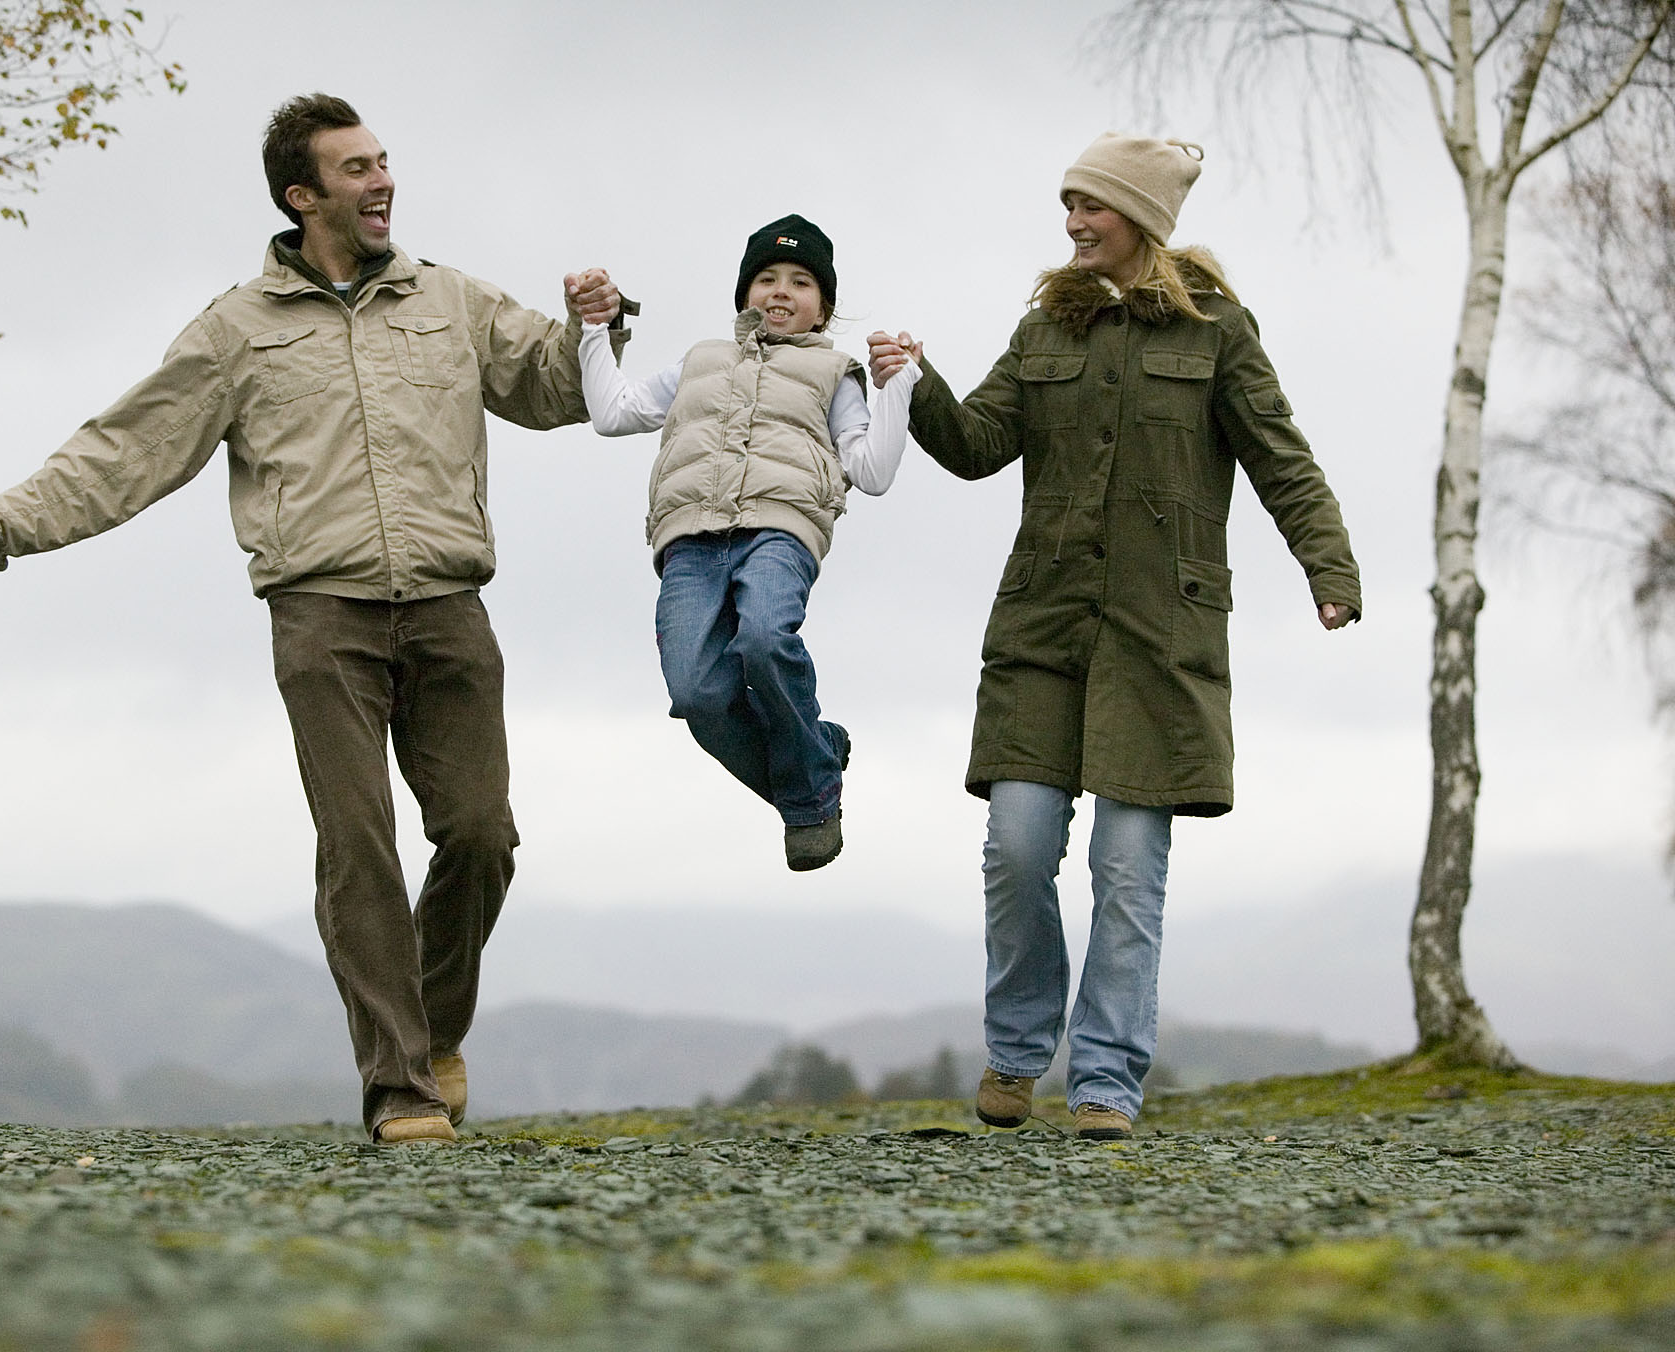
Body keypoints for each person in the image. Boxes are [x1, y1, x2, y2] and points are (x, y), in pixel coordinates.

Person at [0, 93, 626, 1146]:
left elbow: (550, 387)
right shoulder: (237, 330)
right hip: (320, 615)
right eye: (357, 168)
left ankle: (435, 1033)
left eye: (385, 160)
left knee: (482, 836)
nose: (383, 180)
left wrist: (595, 326)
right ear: (303, 196)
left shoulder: (452, 301)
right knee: (358, 846)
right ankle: (398, 1085)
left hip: (449, 605)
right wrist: (7, 522)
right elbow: (127, 447)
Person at [868, 134, 1361, 1140]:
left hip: (1158, 637)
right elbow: (975, 445)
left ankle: (1104, 1079)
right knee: (1016, 845)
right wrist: (914, 381)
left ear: (1139, 217)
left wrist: (1330, 569)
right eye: (1066, 205)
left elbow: (1280, 458)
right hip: (1042, 624)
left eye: (1088, 205)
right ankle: (1015, 1050)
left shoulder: (1218, 330)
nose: (1071, 222)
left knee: (1126, 868)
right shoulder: (1045, 325)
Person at [579, 215, 919, 870]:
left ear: (825, 306)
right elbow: (612, 412)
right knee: (696, 693)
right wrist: (596, 329)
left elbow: (872, 473)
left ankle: (812, 802)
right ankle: (815, 762)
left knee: (763, 639)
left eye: (800, 281)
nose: (781, 291)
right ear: (744, 294)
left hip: (780, 531)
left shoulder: (832, 372)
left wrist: (896, 387)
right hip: (690, 541)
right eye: (766, 278)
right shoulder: (700, 361)